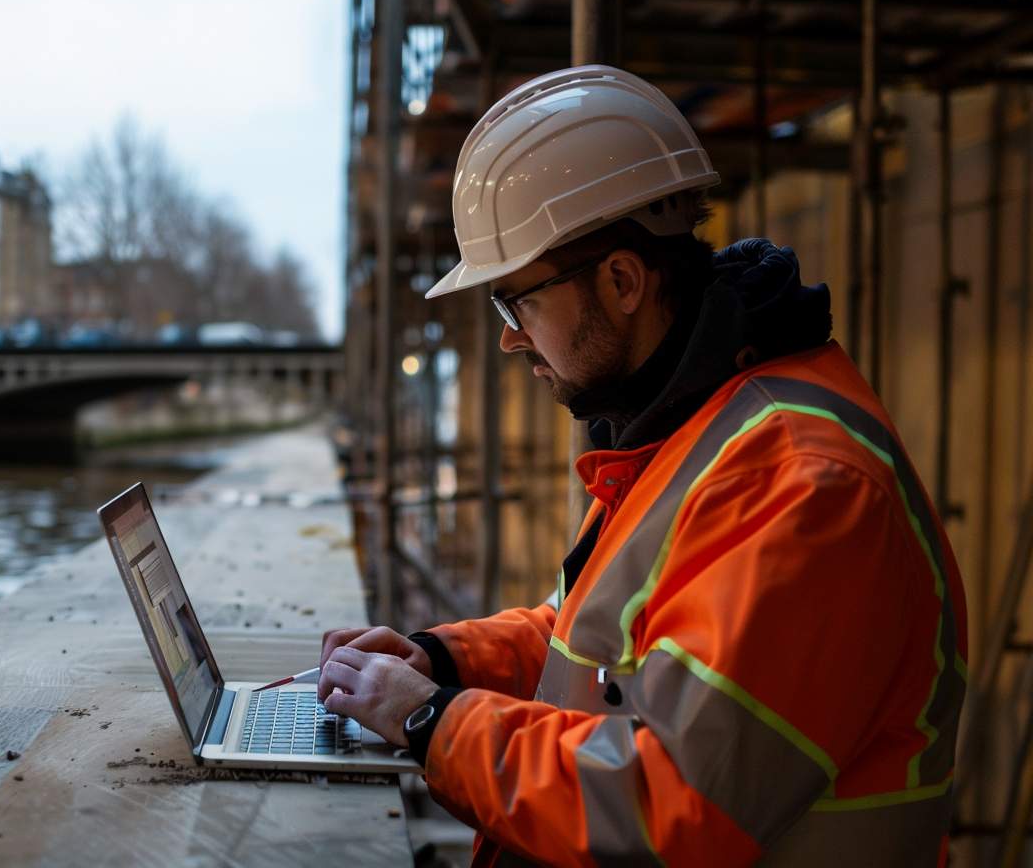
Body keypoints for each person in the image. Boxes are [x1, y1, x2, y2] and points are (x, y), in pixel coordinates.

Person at [317, 65, 968, 866]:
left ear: (622, 281)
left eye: (514, 301)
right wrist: (444, 659)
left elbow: (672, 809)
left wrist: (433, 721)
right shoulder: (689, 431)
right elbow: (591, 652)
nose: (508, 338)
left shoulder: (801, 484)